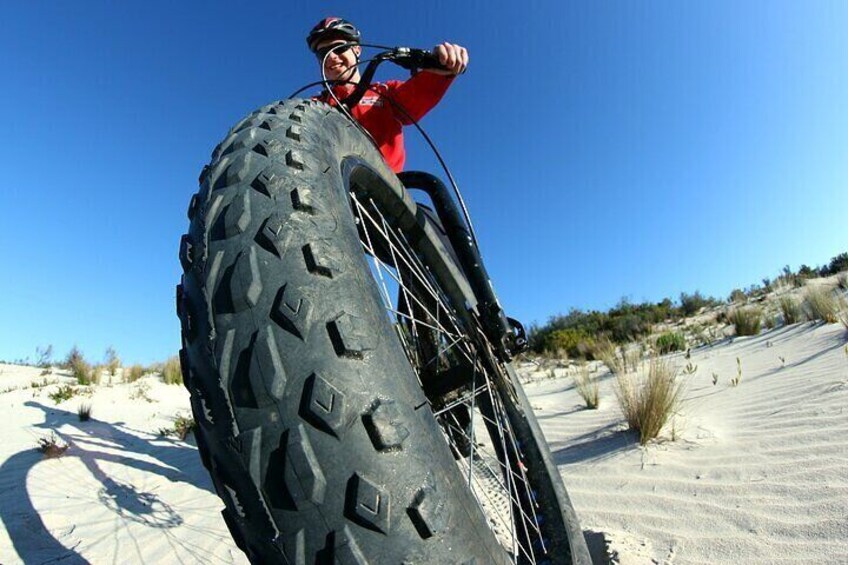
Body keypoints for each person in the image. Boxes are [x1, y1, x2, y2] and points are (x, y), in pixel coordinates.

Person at [306, 17, 469, 173]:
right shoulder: (315, 104)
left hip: (385, 193)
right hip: (329, 190)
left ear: (357, 49)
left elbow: (418, 95)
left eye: (339, 48)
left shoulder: (385, 92)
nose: (332, 57)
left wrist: (444, 65)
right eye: (323, 53)